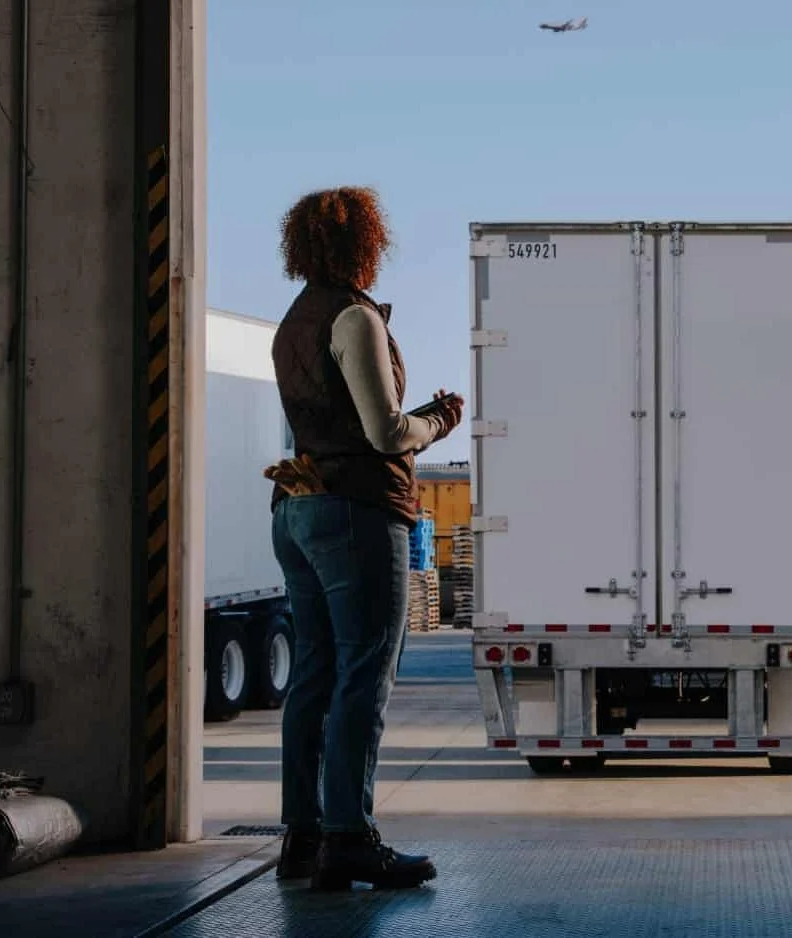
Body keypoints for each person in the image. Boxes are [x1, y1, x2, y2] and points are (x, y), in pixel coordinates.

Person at [264, 185, 463, 890]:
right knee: (363, 677)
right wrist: (438, 419)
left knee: (313, 676)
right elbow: (385, 432)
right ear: (365, 244)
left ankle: (303, 837)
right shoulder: (354, 317)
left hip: (296, 509)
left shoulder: (291, 322)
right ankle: (349, 838)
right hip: (355, 511)